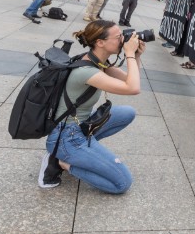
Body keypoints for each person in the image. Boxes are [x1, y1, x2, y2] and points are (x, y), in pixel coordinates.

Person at [40, 20, 145, 192]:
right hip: (68, 137)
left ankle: (84, 153)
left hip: (76, 127)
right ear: (100, 42)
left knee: (128, 112)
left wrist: (136, 56)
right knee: (122, 183)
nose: (123, 40)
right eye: (119, 37)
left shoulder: (96, 61)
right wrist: (129, 54)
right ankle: (63, 162)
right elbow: (133, 89)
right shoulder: (87, 71)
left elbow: (131, 79)